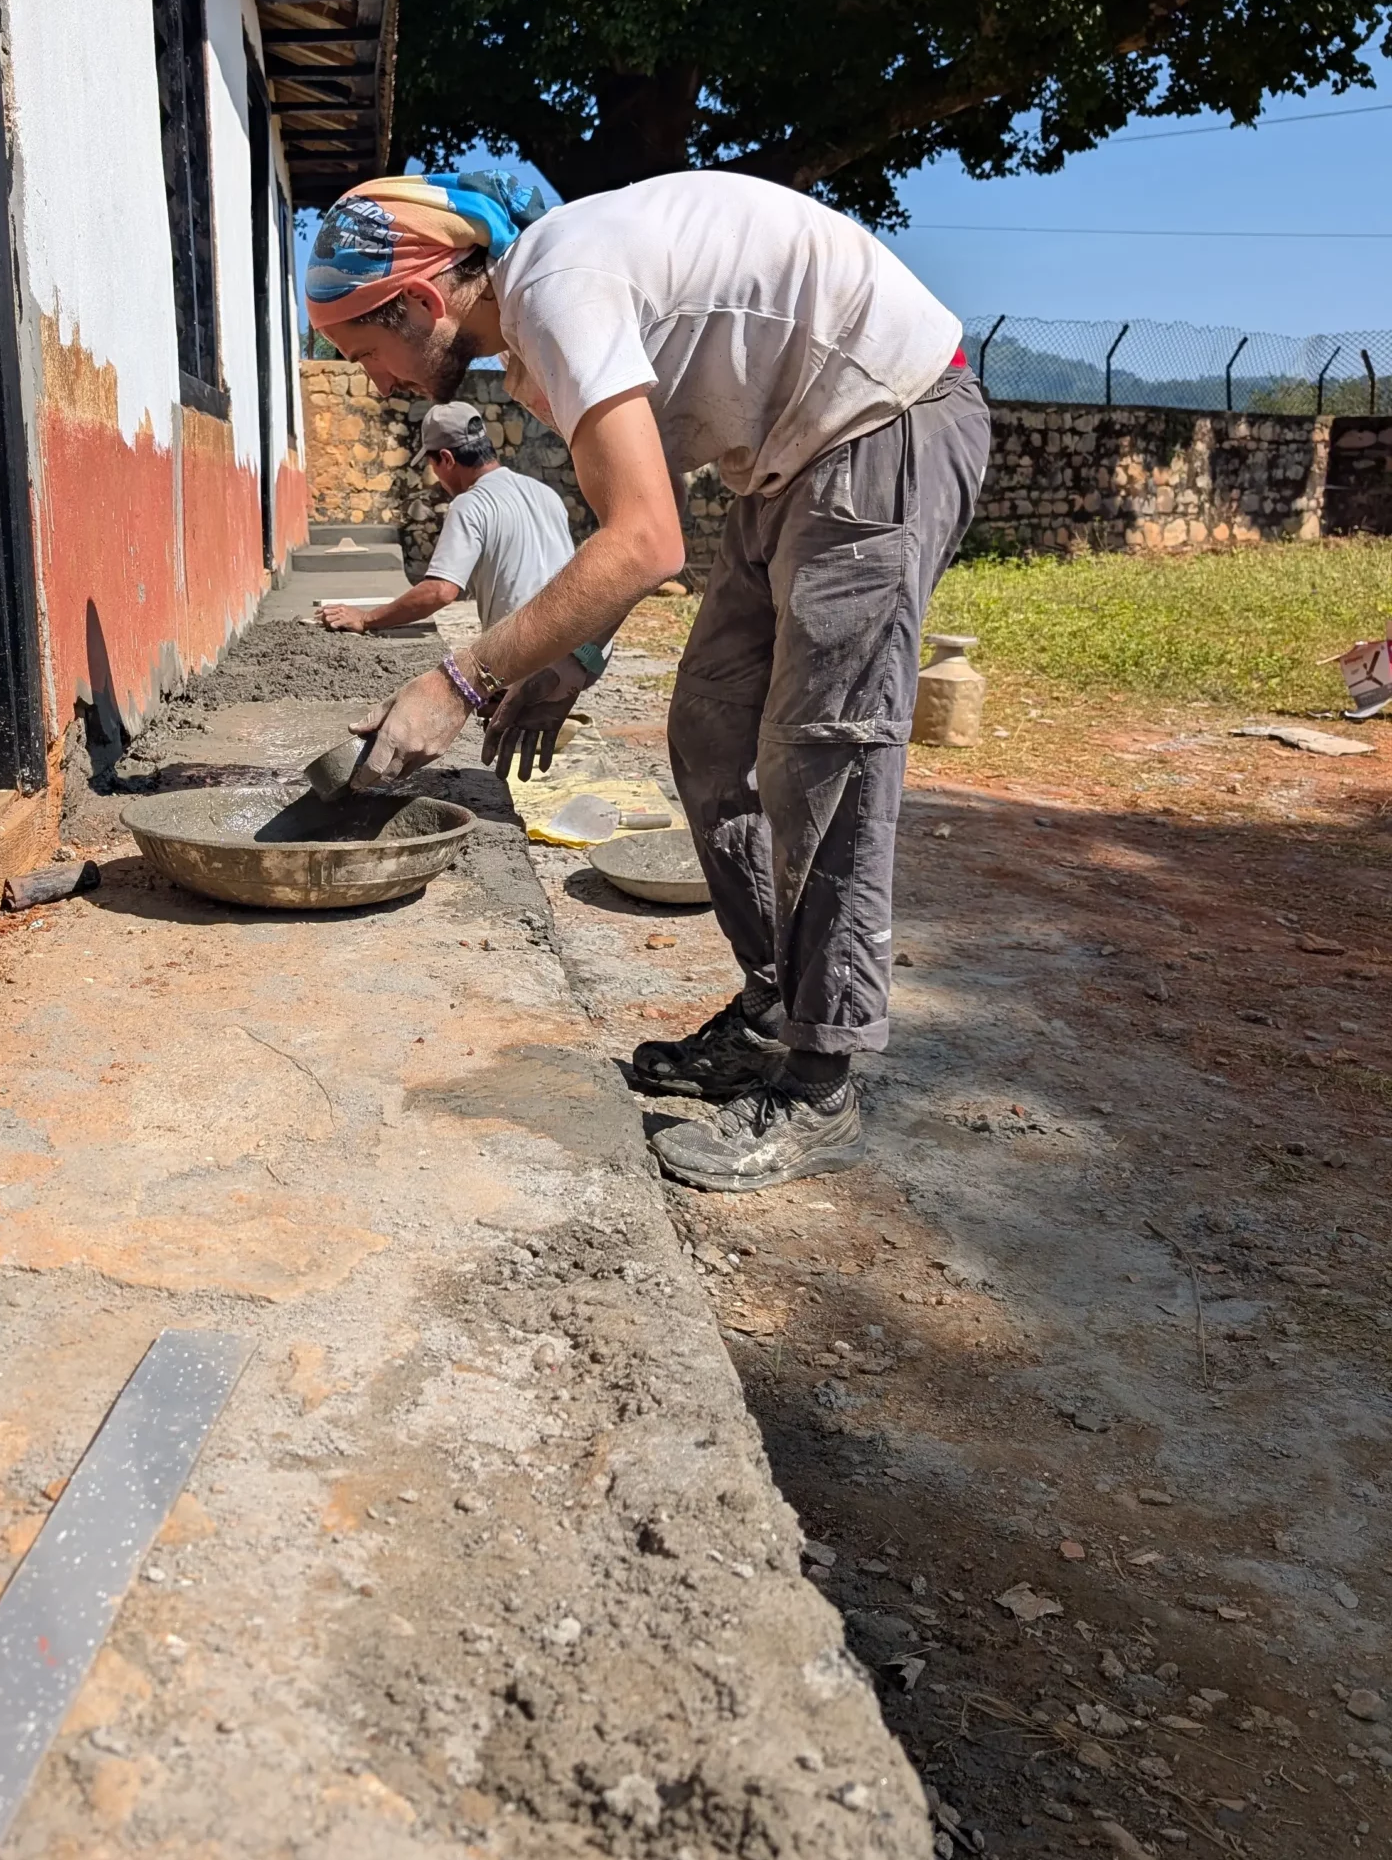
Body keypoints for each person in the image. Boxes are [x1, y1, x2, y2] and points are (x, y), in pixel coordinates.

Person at [303, 166, 990, 1195]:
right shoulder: (540, 335)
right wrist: (568, 662)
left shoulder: (556, 290)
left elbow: (644, 542)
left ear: (418, 303)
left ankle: (818, 1079)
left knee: (820, 755)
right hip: (789, 458)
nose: (376, 383)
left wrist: (462, 680)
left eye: (366, 351)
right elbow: (639, 516)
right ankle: (769, 1014)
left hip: (882, 421)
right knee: (712, 731)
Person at [317, 400, 583, 653]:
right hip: (581, 645)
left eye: (433, 466)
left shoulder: (471, 504)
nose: (437, 477)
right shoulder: (544, 492)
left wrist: (366, 619)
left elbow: (440, 591)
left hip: (530, 652)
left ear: (446, 459)